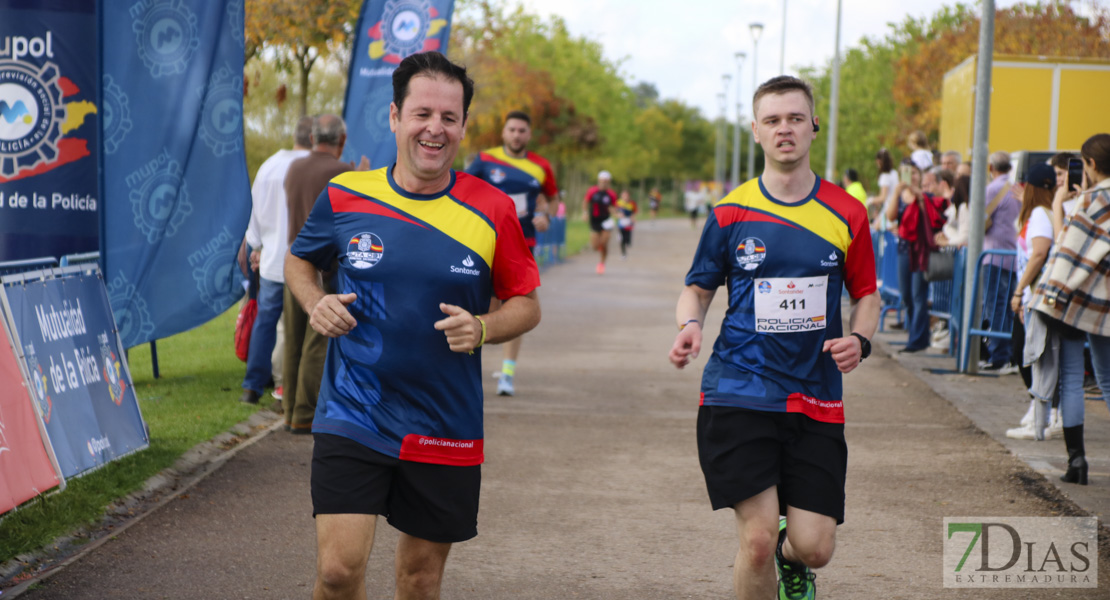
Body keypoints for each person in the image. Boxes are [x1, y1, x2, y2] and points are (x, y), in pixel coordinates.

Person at [285, 51, 541, 599]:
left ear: (464, 127)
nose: (435, 128)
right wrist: (314, 302)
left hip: (443, 419)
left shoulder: (493, 209)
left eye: (449, 118)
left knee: (419, 581)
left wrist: (484, 326)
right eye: (422, 113)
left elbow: (526, 303)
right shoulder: (346, 196)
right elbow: (298, 261)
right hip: (353, 410)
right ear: (396, 116)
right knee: (337, 572)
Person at [669, 75, 879, 600]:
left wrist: (861, 339)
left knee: (815, 547)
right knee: (756, 540)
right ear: (756, 132)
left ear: (813, 125)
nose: (784, 129)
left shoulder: (847, 212)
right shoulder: (729, 213)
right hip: (739, 389)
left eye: (793, 118)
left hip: (815, 394)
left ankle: (794, 561)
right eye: (772, 120)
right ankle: (771, 554)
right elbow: (696, 290)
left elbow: (868, 296)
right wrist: (690, 325)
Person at [1028, 133, 1110, 486]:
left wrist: (1061, 202)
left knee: (1074, 380)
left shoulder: (1090, 201)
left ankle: (1077, 462)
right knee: (1107, 379)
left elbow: (1067, 247)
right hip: (1106, 305)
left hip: (1078, 301)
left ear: (1089, 165)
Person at [281, 114, 366, 434]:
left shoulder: (294, 168)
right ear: (341, 141)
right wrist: (361, 176)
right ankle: (306, 412)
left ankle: (289, 410)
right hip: (327, 272)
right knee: (318, 342)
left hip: (294, 266)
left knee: (293, 343)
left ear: (314, 137)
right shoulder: (344, 173)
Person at [465, 110, 558, 396]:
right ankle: (466, 369)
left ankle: (507, 373)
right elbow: (461, 191)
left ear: (529, 135)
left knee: (515, 308)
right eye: (512, 130)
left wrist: (547, 217)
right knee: (482, 307)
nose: (517, 135)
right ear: (504, 133)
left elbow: (553, 200)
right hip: (482, 243)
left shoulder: (541, 167)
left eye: (522, 130)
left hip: (521, 244)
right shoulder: (484, 160)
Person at [239, 116, 314, 405]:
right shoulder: (314, 169)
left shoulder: (269, 166)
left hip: (271, 261)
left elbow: (255, 214)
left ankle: (252, 387)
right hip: (305, 263)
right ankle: (292, 386)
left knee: (265, 323)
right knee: (305, 329)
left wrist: (256, 245)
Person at [1005, 163, 1061, 439]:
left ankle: (1044, 413)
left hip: (1033, 296)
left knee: (1026, 354)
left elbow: (1038, 253)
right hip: (1035, 295)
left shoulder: (1040, 214)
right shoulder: (1046, 212)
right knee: (1030, 354)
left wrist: (1019, 290)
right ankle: (1038, 411)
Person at [886, 163, 947, 353]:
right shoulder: (901, 195)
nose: (910, 177)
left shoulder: (925, 196)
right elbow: (891, 216)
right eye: (906, 173)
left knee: (918, 294)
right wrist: (896, 194)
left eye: (913, 173)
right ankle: (915, 333)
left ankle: (917, 339)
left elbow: (934, 215)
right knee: (906, 294)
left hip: (922, 252)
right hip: (904, 250)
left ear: (919, 176)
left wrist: (918, 196)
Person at [980, 151, 1022, 370]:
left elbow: (980, 220)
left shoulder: (992, 189)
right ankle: (1010, 354)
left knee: (994, 306)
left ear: (991, 168)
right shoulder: (1017, 189)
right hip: (1013, 255)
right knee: (1008, 307)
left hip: (994, 254)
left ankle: (999, 355)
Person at [583, 170, 617, 274]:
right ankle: (599, 246)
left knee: (604, 242)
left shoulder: (611, 194)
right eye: (602, 181)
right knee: (595, 246)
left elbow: (614, 206)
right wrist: (585, 213)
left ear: (609, 182)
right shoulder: (592, 191)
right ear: (598, 181)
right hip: (594, 220)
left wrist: (614, 212)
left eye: (606, 181)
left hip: (606, 220)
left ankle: (601, 263)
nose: (604, 183)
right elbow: (585, 202)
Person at [867, 148, 898, 231]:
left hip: (889, 208)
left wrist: (871, 200)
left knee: (876, 228)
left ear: (878, 161)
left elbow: (883, 197)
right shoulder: (894, 173)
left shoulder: (884, 176)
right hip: (896, 207)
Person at [615, 189, 638, 258]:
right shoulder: (618, 203)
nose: (625, 197)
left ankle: (628, 242)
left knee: (627, 236)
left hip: (628, 221)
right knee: (622, 239)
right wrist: (618, 215)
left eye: (626, 196)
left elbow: (634, 212)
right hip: (621, 222)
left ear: (629, 196)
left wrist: (633, 218)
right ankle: (623, 253)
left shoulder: (632, 203)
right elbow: (614, 212)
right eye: (624, 195)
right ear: (621, 196)